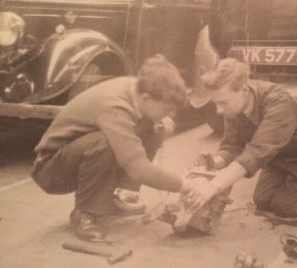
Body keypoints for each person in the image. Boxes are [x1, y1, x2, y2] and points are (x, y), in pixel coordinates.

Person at [32, 55, 192, 241]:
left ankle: (109, 198)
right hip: (50, 169)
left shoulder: (138, 89)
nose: (171, 115)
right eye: (166, 109)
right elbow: (137, 169)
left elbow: (150, 122)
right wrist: (183, 185)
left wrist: (160, 118)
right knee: (104, 143)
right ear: (146, 98)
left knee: (153, 125)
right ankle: (84, 213)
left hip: (72, 155)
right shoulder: (115, 106)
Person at [186, 58, 297, 217]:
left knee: (288, 207)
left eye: (223, 102)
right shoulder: (233, 107)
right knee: (262, 200)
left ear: (243, 88)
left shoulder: (278, 102)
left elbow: (257, 152)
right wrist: (216, 162)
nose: (219, 110)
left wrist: (212, 187)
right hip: (279, 156)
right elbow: (233, 146)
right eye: (215, 103)